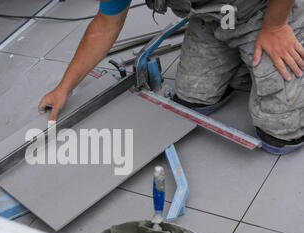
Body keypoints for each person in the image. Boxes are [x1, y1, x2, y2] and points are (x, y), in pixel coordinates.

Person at [38, 0, 304, 154]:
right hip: (213, 16)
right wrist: (65, 87)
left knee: (281, 134)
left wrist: (275, 25)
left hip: (264, 11)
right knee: (192, 98)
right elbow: (105, 26)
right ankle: (240, 56)